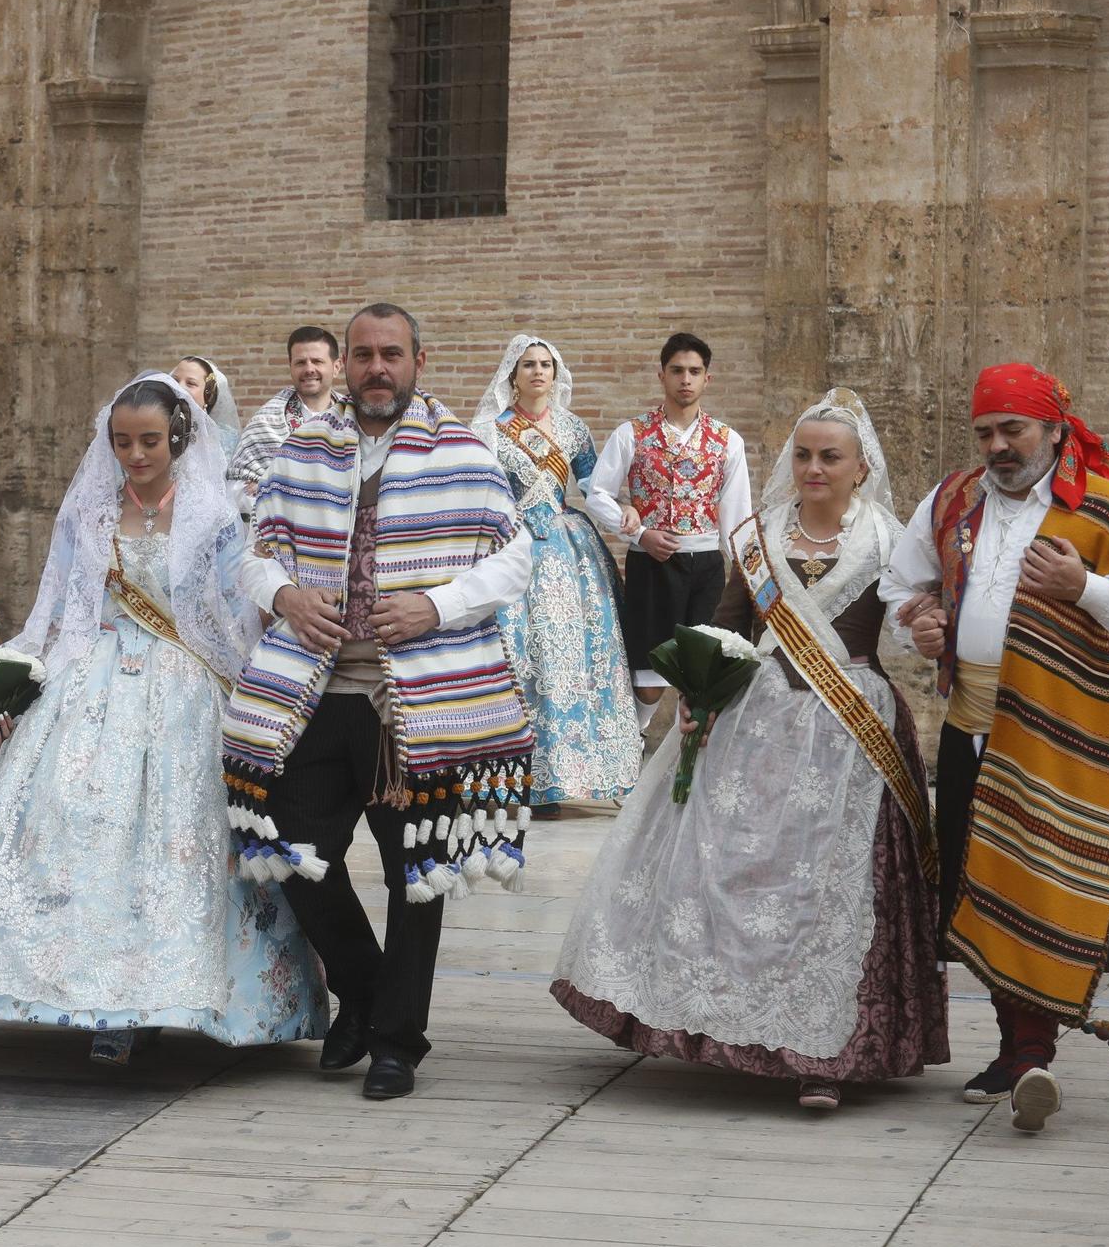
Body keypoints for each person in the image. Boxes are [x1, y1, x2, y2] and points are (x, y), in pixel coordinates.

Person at [0, 374, 327, 1064]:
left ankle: (141, 1005)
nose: (136, 454)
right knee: (67, 823)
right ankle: (82, 997)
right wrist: (17, 677)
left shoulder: (212, 513)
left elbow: (235, 612)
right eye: (123, 441)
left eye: (149, 440)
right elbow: (57, 606)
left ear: (178, 436)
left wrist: (257, 695)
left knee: (173, 844)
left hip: (183, 688)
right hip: (90, 679)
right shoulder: (87, 510)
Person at [553, 390, 948, 1111]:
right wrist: (696, 695)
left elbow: (912, 621)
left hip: (850, 732)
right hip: (755, 727)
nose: (813, 467)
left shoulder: (891, 542)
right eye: (803, 454)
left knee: (830, 890)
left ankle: (824, 1054)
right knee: (742, 876)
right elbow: (727, 627)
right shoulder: (760, 536)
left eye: (831, 456)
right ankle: (736, 1027)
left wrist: (931, 625)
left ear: (862, 468)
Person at [882, 362, 1109, 1133]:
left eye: (1013, 430)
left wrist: (1087, 589)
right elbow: (901, 588)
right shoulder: (952, 500)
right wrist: (917, 625)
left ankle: (1032, 1051)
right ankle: (1015, 1049)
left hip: (1061, 734)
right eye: (986, 432)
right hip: (971, 727)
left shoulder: (1103, 509)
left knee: (1046, 879)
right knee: (977, 876)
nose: (998, 446)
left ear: (1055, 429)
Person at [222, 303, 534, 1102]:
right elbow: (255, 557)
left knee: (414, 872)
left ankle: (396, 1041)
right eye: (362, 354)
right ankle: (361, 988)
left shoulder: (462, 448)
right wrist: (287, 595)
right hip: (315, 687)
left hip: (417, 700)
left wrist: (440, 603)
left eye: (390, 353)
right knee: (286, 844)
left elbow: (514, 560)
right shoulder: (302, 450)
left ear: (419, 361)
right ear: (345, 364)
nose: (375, 368)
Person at [472, 336, 642, 812]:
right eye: (529, 365)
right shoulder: (489, 429)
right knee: (518, 653)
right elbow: (479, 491)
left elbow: (593, 486)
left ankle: (577, 771)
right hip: (513, 549)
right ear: (513, 373)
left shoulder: (572, 428)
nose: (538, 372)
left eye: (546, 364)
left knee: (578, 655)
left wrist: (623, 512)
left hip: (570, 552)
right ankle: (509, 775)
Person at [585, 332, 751, 732]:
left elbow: (737, 516)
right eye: (677, 370)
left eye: (695, 371)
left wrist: (746, 576)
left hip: (707, 566)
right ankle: (630, 755)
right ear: (662, 375)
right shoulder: (632, 433)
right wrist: (640, 534)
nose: (686, 379)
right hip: (651, 566)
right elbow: (596, 494)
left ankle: (690, 767)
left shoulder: (728, 441)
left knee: (703, 674)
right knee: (648, 678)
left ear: (707, 379)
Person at [226, 326, 343, 516]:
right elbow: (237, 490)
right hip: (281, 534)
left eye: (317, 361)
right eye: (300, 363)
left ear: (336, 367)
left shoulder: (353, 420)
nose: (309, 369)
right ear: (291, 367)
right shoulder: (266, 422)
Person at [172, 355, 241, 458]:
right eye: (175, 380)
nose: (179, 387)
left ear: (208, 395)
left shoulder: (226, 442)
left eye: (191, 383)